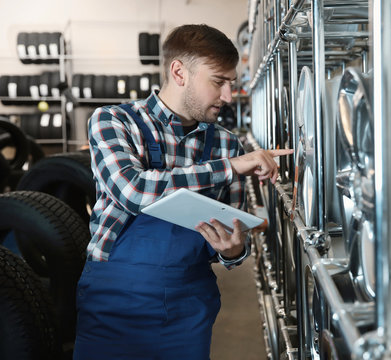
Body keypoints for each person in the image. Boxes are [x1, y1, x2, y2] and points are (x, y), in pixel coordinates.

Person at [73, 24, 292, 360]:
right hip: (115, 301)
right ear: (179, 72)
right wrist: (230, 166)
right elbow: (134, 191)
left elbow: (230, 238)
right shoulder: (115, 121)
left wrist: (233, 251)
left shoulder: (226, 144)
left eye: (231, 83)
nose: (228, 96)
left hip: (188, 305)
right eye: (218, 81)